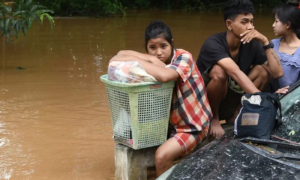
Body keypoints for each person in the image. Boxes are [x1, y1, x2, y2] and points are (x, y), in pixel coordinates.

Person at [110, 20, 213, 176]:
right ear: (146, 48)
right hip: (170, 125)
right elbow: (118, 56)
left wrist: (139, 61)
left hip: (193, 126)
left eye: (163, 46)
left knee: (161, 157)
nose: (159, 52)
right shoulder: (151, 62)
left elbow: (165, 75)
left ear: (171, 44)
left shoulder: (184, 58)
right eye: (152, 48)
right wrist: (148, 59)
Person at [196, 0, 284, 138]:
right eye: (244, 22)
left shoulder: (251, 43)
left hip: (232, 101)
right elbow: (234, 72)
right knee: (219, 71)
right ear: (229, 25)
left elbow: (277, 73)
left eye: (251, 22)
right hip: (207, 104)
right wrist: (263, 99)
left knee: (262, 71)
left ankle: (237, 114)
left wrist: (266, 42)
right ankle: (214, 119)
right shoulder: (213, 43)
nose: (250, 27)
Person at [271, 1, 300, 94]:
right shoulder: (272, 44)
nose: (273, 25)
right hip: (270, 95)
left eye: (276, 21)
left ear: (287, 25)